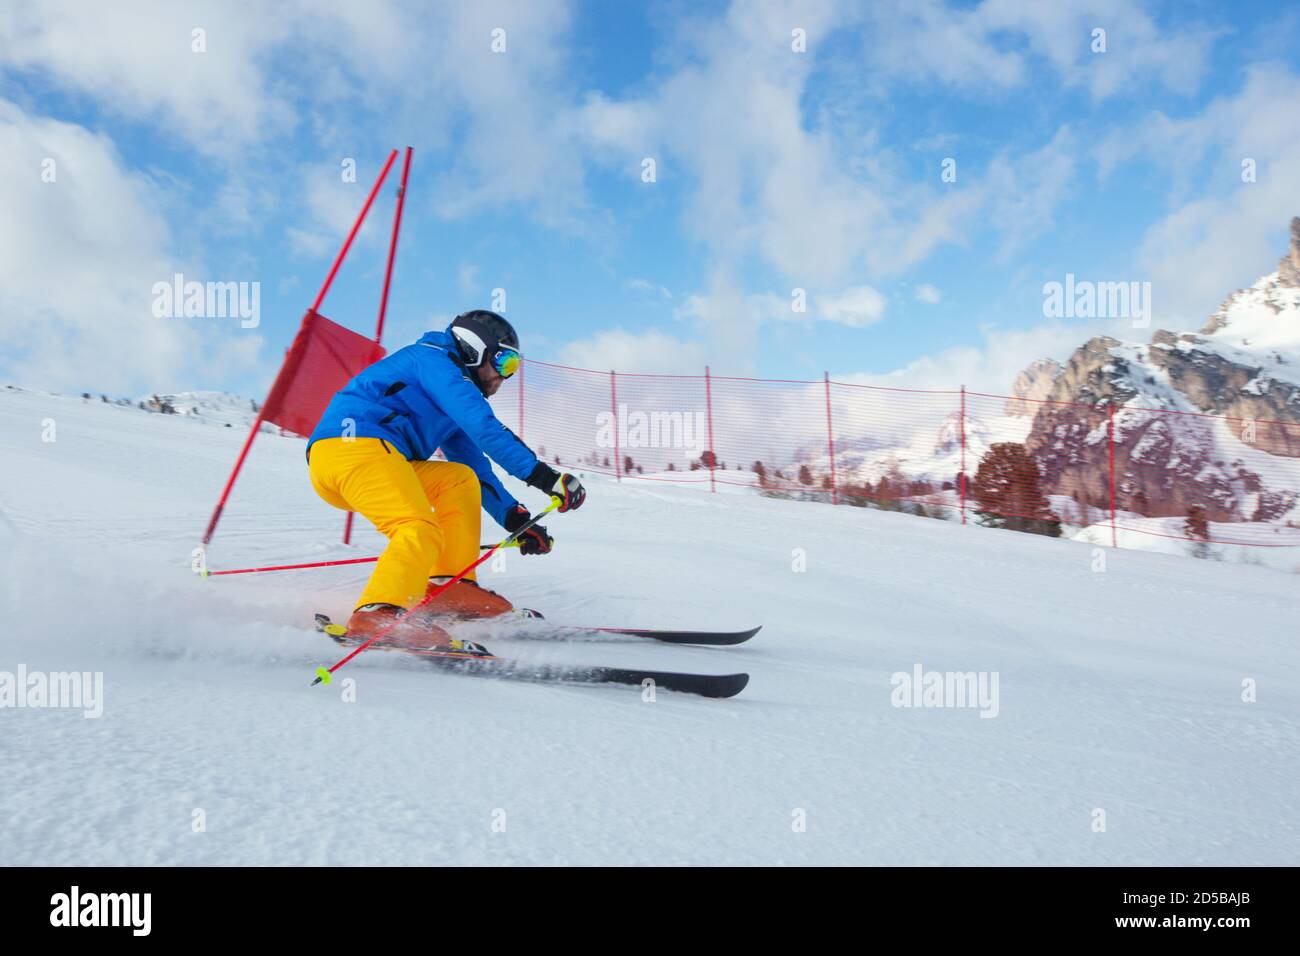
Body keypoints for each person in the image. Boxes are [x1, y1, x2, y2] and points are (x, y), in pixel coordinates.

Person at [306, 309, 585, 646]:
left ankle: (449, 587)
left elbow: (479, 470)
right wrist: (546, 478)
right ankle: (375, 613)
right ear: (475, 348)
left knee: (459, 478)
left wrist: (516, 519)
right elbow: (486, 428)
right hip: (351, 449)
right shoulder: (433, 361)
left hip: (377, 462)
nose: (504, 377)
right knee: (418, 528)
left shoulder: (450, 397)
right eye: (504, 363)